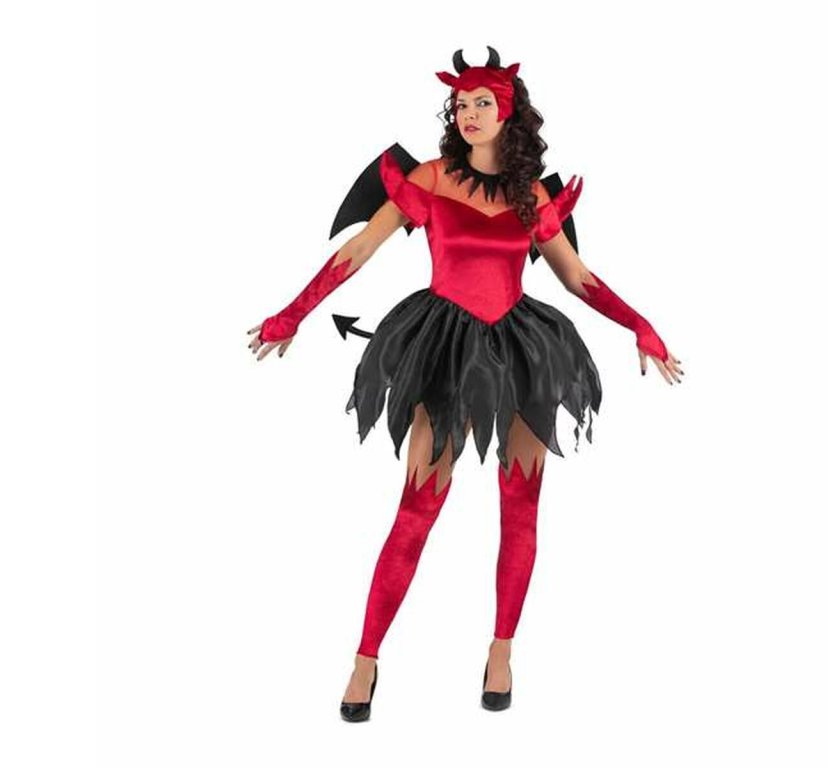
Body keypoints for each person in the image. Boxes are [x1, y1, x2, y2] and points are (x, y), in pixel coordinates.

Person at [247, 46, 684, 721]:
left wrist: (640, 323)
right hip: (445, 348)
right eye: (461, 104)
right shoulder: (428, 179)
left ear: (510, 113)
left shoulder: (533, 196)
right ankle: (365, 659)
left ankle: (501, 651)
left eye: (483, 102)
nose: (469, 113)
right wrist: (294, 312)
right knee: (418, 506)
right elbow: (358, 248)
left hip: (522, 349)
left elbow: (577, 276)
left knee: (522, 505)